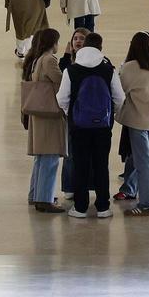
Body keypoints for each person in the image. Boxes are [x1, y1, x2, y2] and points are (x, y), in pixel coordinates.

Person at [56, 32, 125, 219]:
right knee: (101, 164)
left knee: (80, 165)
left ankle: (80, 207)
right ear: (100, 48)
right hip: (103, 126)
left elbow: (61, 98)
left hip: (79, 126)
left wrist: (72, 113)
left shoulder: (71, 70)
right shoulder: (108, 70)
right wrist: (110, 114)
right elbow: (120, 98)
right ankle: (103, 207)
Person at [118, 31, 149, 217]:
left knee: (143, 162)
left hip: (137, 119)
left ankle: (146, 203)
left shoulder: (130, 67)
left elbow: (121, 90)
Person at [22, 29, 67, 214]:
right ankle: (44, 199)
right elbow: (61, 82)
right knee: (50, 157)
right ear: (52, 43)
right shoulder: (49, 60)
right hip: (50, 115)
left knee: (41, 158)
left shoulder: (37, 59)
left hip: (40, 114)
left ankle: (36, 194)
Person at [58, 28, 90, 201]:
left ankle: (85, 184)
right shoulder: (68, 63)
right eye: (75, 38)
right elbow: (61, 77)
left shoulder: (94, 61)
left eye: (82, 38)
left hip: (88, 112)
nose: (78, 41)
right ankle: (69, 186)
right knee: (70, 151)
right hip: (73, 113)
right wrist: (65, 55)